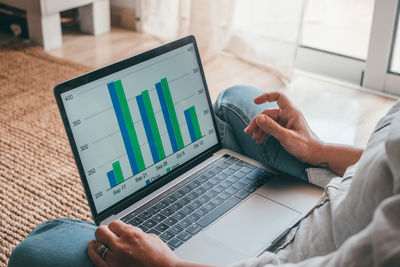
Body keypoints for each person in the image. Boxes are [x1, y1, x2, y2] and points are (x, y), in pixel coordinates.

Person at [8, 86, 400, 267]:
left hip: (292, 254)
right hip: (335, 197)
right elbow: (386, 159)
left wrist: (168, 266)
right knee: (236, 99)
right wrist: (317, 151)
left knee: (39, 248)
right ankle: (209, 179)